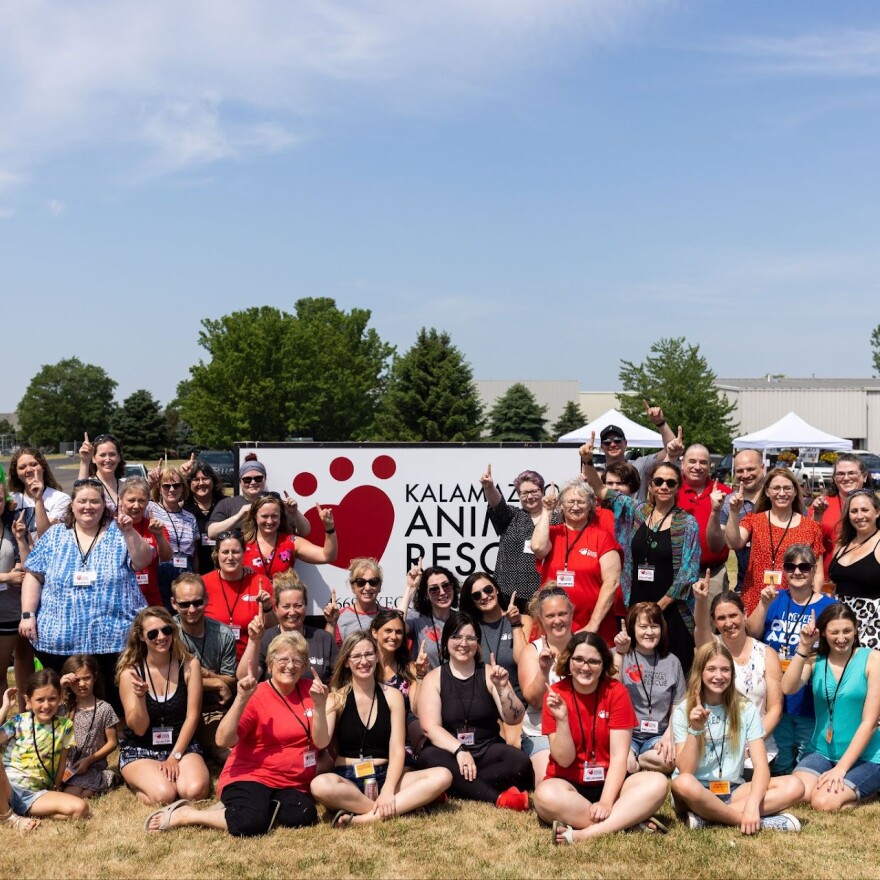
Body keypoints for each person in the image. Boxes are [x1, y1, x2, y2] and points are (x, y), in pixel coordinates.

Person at [145, 632, 323, 836]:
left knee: (304, 815)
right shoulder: (255, 695)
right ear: (270, 663)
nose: (290, 666)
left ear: (304, 664)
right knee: (250, 824)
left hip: (290, 782)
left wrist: (321, 703)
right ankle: (188, 814)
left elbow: (322, 739)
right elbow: (222, 740)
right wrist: (240, 699)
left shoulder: (312, 691)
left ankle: (242, 809)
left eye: (296, 660)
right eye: (283, 659)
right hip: (252, 775)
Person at [19, 478, 154, 712]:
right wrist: (28, 614)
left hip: (114, 637)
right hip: (60, 640)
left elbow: (143, 560)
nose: (88, 506)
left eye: (94, 501)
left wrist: (130, 532)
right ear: (73, 505)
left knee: (113, 696)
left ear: (105, 505)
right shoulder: (54, 536)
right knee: (66, 697)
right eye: (82, 501)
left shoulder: (120, 531)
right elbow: (33, 575)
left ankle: (114, 729)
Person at [533, 632, 669, 844]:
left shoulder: (617, 692)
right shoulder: (556, 694)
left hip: (611, 785)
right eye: (578, 659)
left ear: (604, 664)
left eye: (594, 661)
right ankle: (627, 821)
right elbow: (564, 759)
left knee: (658, 782)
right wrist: (562, 719)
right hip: (569, 784)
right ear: (568, 661)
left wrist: (606, 802)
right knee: (544, 795)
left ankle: (585, 834)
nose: (585, 667)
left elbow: (619, 756)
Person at [310, 632, 452, 827]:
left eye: (369, 654)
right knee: (319, 785)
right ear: (346, 662)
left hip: (386, 774)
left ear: (377, 657)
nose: (364, 661)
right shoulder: (337, 698)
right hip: (348, 778)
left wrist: (387, 790)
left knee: (443, 775)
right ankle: (395, 807)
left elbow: (397, 749)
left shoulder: (393, 696)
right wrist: (319, 706)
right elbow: (321, 742)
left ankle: (365, 819)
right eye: (356, 656)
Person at [582, 448, 699, 673]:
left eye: (670, 483)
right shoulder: (636, 511)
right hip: (635, 607)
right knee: (635, 672)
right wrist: (587, 460)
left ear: (678, 488)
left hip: (672, 612)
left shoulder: (687, 523)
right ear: (651, 485)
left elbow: (688, 573)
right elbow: (600, 488)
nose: (664, 486)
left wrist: (657, 608)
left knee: (673, 673)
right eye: (659, 481)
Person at [670, 642, 804, 832]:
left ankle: (709, 818)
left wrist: (752, 803)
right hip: (696, 791)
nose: (719, 676)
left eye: (725, 669)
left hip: (732, 789)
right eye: (711, 669)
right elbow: (685, 770)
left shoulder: (745, 708)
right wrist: (695, 729)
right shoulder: (684, 710)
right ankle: (751, 821)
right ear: (700, 672)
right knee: (682, 783)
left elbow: (760, 765)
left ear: (732, 674)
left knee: (795, 785)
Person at [417, 612, 532, 809]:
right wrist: (460, 750)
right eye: (456, 637)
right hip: (449, 753)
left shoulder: (489, 673)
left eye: (470, 638)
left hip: (486, 750)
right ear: (446, 642)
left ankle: (453, 787)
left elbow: (514, 718)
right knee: (429, 759)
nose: (463, 643)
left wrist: (503, 687)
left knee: (519, 763)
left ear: (477, 643)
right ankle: (498, 799)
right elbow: (430, 728)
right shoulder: (434, 678)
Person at [746, 544, 837, 776]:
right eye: (791, 567)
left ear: (814, 570)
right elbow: (753, 633)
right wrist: (763, 605)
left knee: (807, 752)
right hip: (776, 695)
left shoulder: (828, 606)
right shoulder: (774, 598)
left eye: (804, 567)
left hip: (808, 697)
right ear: (784, 571)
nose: (797, 572)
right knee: (782, 756)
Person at [781, 604, 880, 811]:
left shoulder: (873, 660)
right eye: (834, 632)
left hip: (867, 755)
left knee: (823, 802)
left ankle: (867, 792)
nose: (841, 638)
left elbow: (869, 723)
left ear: (856, 629)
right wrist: (804, 647)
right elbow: (787, 688)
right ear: (823, 633)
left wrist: (841, 769)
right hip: (821, 751)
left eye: (847, 631)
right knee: (798, 791)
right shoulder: (815, 661)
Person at [116, 607, 209, 806]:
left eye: (166, 630)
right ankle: (137, 781)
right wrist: (141, 697)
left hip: (181, 746)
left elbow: (192, 717)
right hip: (142, 748)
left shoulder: (189, 665)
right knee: (165, 796)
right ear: (141, 637)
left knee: (194, 791)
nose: (161, 637)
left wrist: (175, 756)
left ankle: (167, 778)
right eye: (152, 633)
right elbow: (138, 728)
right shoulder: (130, 673)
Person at [694, 583, 782, 772]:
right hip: (715, 742)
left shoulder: (767, 654)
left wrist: (749, 744)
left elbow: (775, 708)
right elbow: (700, 627)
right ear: (714, 622)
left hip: (756, 744)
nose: (728, 623)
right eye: (721, 618)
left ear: (744, 613)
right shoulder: (711, 647)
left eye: (733, 615)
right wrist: (701, 600)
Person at [531, 479, 622, 646]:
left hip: (592, 628)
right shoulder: (552, 533)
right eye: (570, 501)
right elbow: (537, 547)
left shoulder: (602, 537)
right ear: (562, 506)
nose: (575, 506)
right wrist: (546, 511)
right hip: (552, 626)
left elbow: (612, 582)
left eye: (581, 502)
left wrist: (593, 625)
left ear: (590, 506)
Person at [725, 467, 825, 615]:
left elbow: (817, 572)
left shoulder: (811, 527)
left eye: (787, 488)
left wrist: (812, 604)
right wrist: (734, 512)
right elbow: (734, 543)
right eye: (776, 488)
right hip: (755, 601)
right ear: (767, 491)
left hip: (795, 604)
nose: (782, 493)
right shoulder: (754, 520)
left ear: (796, 491)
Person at [0, 671, 90, 832]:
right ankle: (8, 816)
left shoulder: (65, 726)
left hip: (34, 794)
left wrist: (55, 786)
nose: (46, 705)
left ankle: (20, 811)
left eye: (52, 699)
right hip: (8, 786)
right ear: (28, 700)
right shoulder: (19, 721)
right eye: (40, 700)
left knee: (81, 809)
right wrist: (4, 709)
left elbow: (62, 762)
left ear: (60, 697)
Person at [170, 573, 238, 764]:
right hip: (175, 712)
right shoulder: (166, 633)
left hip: (212, 711)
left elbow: (231, 681)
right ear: (174, 603)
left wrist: (206, 674)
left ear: (206, 599)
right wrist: (215, 682)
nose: (191, 609)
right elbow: (168, 680)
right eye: (184, 604)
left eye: (197, 602)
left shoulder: (223, 634)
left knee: (231, 752)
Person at [612, 602, 686, 774]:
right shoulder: (619, 655)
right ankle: (636, 763)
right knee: (625, 764)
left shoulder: (672, 662)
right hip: (627, 733)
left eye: (654, 626)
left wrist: (670, 735)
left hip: (658, 735)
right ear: (632, 628)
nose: (649, 632)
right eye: (643, 626)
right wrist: (621, 653)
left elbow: (678, 706)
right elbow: (612, 690)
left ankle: (643, 758)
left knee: (670, 761)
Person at [238, 571, 336, 684]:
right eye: (286, 606)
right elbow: (245, 678)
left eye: (298, 606)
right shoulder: (265, 638)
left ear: (306, 606)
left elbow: (339, 680)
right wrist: (253, 640)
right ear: (276, 608)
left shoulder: (324, 638)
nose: (292, 612)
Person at [518, 586, 574, 784]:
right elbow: (533, 699)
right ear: (541, 619)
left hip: (580, 730)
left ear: (572, 613)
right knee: (549, 782)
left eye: (562, 614)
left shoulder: (585, 646)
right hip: (540, 732)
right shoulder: (532, 652)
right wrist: (544, 670)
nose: (557, 620)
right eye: (550, 616)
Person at [479, 465, 556, 601]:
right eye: (524, 493)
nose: (530, 497)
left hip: (545, 595)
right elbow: (497, 504)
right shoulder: (512, 516)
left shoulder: (557, 520)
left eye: (534, 491)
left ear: (543, 491)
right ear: (518, 495)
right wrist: (489, 487)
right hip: (509, 594)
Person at [201, 529, 275, 660]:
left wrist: (267, 608)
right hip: (213, 660)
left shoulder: (261, 582)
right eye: (225, 552)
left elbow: (274, 627)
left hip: (251, 660)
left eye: (235, 552)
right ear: (217, 554)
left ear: (244, 553)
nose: (230, 557)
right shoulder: (203, 583)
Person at [207, 453, 310, 541]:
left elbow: (305, 531)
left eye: (258, 478)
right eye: (247, 479)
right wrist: (239, 516)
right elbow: (211, 533)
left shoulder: (277, 503)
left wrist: (295, 513)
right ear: (240, 481)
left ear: (265, 479)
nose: (253, 482)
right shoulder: (227, 504)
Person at [59, 654, 120, 798]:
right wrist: (59, 686)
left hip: (90, 766)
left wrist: (89, 760)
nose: (81, 684)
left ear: (94, 677)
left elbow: (112, 742)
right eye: (76, 680)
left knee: (70, 796)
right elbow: (37, 716)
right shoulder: (63, 708)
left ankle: (105, 778)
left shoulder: (104, 708)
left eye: (86, 678)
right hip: (65, 766)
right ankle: (100, 785)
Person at [677, 444, 732, 601]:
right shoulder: (671, 490)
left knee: (713, 622)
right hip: (675, 573)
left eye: (703, 462)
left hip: (712, 574)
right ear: (683, 464)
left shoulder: (724, 493)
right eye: (692, 461)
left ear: (710, 466)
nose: (697, 467)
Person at [828, 489, 880, 650]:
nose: (859, 516)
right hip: (839, 623)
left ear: (877, 512)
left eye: (865, 510)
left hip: (872, 624)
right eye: (854, 511)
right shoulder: (843, 544)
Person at [242, 494, 336, 581]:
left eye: (274, 516)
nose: (269, 521)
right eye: (264, 516)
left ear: (280, 517)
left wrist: (329, 527)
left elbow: (327, 556)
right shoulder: (241, 543)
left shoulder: (291, 542)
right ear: (254, 516)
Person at [369, 609, 424, 752]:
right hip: (369, 740)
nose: (394, 636)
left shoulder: (409, 667)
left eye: (399, 632)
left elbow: (417, 710)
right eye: (388, 630)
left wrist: (420, 675)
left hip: (402, 741)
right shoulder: (364, 665)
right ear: (375, 632)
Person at [711, 449, 766, 591]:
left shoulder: (778, 498)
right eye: (740, 471)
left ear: (763, 468)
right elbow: (722, 543)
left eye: (750, 469)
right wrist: (715, 511)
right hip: (745, 585)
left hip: (781, 584)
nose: (745, 475)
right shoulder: (729, 502)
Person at [595, 404, 676, 501]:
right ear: (601, 447)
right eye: (607, 442)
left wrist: (661, 423)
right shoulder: (597, 473)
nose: (612, 444)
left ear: (625, 443)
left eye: (617, 440)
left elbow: (672, 448)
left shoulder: (640, 465)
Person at [810, 454, 870, 582]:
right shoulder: (821, 504)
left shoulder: (874, 506)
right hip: (828, 583)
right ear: (834, 478)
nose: (846, 478)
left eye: (852, 473)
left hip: (866, 583)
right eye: (840, 474)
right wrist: (817, 516)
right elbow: (809, 542)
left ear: (864, 476)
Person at [0, 480, 33, 711]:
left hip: (9, 611)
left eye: (0, 499)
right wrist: (5, 578)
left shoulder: (10, 525)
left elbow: (26, 561)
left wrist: (19, 566)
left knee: (1, 673)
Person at [149, 465, 200, 609]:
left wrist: (197, 576)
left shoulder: (190, 517)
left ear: (183, 488)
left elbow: (194, 553)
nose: (172, 490)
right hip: (161, 571)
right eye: (166, 486)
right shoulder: (151, 509)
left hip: (186, 571)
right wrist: (150, 482)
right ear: (159, 489)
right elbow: (133, 500)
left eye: (176, 485)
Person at [119, 477, 171, 608]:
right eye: (131, 500)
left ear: (148, 502)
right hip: (119, 600)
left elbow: (166, 557)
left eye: (141, 500)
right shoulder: (109, 528)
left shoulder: (156, 527)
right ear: (121, 500)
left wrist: (159, 536)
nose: (136, 505)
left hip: (150, 600)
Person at [398, 563, 461, 670]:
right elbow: (395, 624)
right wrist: (410, 587)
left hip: (457, 685)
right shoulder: (417, 618)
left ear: (453, 586)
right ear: (426, 594)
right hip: (425, 684)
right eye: (434, 589)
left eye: (446, 585)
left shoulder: (462, 620)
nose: (442, 592)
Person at [8, 446, 71, 538]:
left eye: (33, 464)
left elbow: (47, 537)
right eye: (22, 467)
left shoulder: (61, 499)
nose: (29, 470)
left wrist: (38, 499)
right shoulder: (11, 499)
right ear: (16, 474)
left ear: (43, 467)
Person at [184, 460, 225, 575]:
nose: (201, 483)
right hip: (193, 571)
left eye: (205, 478)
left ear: (213, 481)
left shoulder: (224, 504)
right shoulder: (184, 508)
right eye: (196, 479)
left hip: (222, 570)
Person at [77, 432, 126, 513]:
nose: (107, 459)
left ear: (119, 457)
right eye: (102, 455)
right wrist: (85, 462)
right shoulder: (89, 484)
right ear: (93, 459)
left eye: (112, 454)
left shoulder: (126, 487)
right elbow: (79, 496)